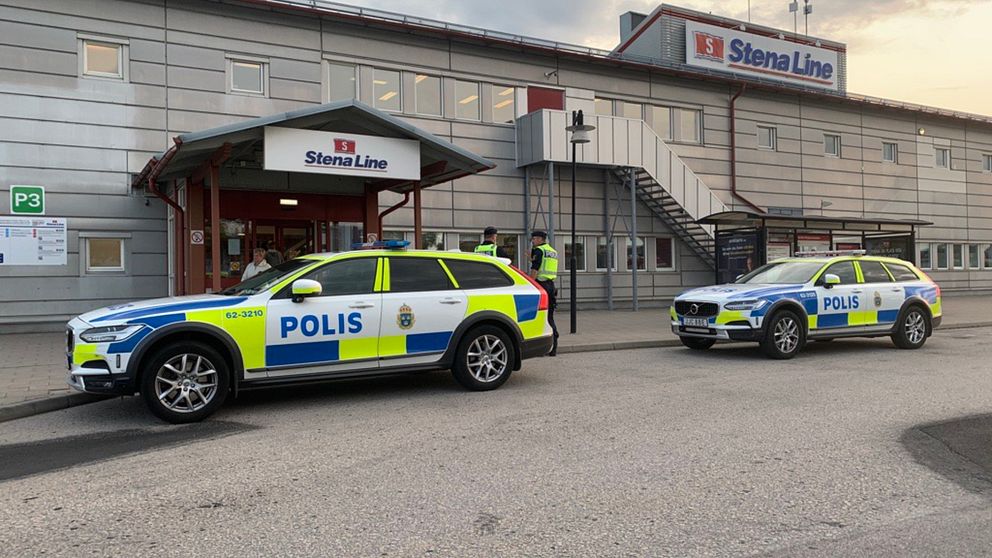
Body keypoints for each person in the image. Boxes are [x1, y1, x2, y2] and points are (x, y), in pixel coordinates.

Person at [528, 230, 559, 356]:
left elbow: (536, 268)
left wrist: (530, 284)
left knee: (542, 317)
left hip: (541, 286)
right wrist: (531, 258)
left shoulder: (539, 250)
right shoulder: (552, 251)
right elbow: (544, 265)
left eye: (534, 239)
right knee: (549, 316)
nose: (533, 241)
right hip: (551, 286)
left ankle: (544, 347)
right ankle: (554, 347)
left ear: (541, 239)